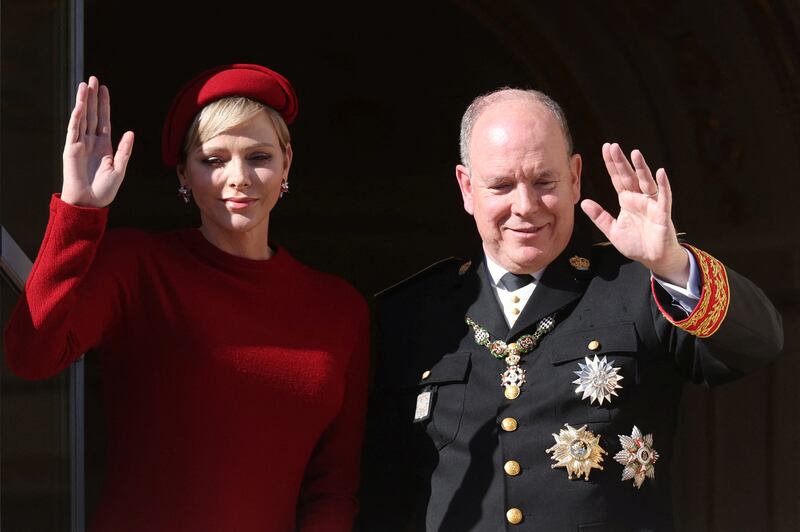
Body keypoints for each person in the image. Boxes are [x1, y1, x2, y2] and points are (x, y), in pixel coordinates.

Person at [358, 88, 783, 531]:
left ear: (575, 177)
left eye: (544, 182)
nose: (525, 207)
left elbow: (758, 344)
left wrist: (672, 264)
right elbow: (381, 489)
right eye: (501, 186)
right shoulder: (412, 315)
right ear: (467, 188)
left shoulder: (637, 287)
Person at [4, 64, 369, 531]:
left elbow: (333, 486)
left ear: (286, 164)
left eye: (258, 156)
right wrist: (79, 211)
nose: (238, 178)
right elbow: (31, 355)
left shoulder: (339, 308)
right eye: (212, 160)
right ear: (183, 174)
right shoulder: (138, 267)